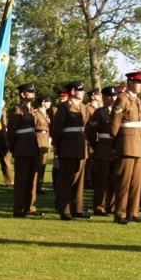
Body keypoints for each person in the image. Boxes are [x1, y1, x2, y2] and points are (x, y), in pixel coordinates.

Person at [110, 71, 141, 225]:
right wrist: (117, 144)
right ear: (130, 82)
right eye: (139, 82)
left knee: (136, 182)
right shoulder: (122, 99)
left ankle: (133, 212)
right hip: (126, 144)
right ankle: (120, 213)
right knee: (124, 181)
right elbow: (114, 125)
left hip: (138, 144)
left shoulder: (137, 100)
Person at [51, 80, 90, 220]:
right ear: (73, 91)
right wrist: (59, 147)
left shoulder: (84, 107)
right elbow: (56, 130)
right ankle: (65, 209)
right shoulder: (64, 107)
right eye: (81, 90)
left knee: (79, 180)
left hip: (80, 147)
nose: (83, 92)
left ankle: (77, 208)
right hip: (67, 147)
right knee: (66, 179)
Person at [7, 82, 40, 218]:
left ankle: (30, 207)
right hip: (22, 149)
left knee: (32, 179)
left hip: (32, 148)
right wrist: (15, 148)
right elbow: (12, 133)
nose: (33, 94)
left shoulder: (31, 110)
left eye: (33, 92)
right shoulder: (17, 109)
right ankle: (18, 208)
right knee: (21, 180)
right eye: (30, 92)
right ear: (22, 94)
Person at [85, 86, 118, 216]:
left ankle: (112, 206)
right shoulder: (99, 112)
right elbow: (91, 132)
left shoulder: (120, 111)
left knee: (114, 180)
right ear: (104, 98)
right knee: (102, 181)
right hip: (103, 148)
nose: (113, 98)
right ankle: (99, 207)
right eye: (109, 96)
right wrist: (97, 146)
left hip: (117, 148)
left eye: (114, 95)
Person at [34, 95, 52, 194]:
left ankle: (39, 187)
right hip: (38, 141)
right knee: (38, 165)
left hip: (45, 141)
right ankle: (34, 187)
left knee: (43, 165)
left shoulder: (46, 114)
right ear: (43, 102)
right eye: (48, 101)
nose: (50, 103)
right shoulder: (36, 113)